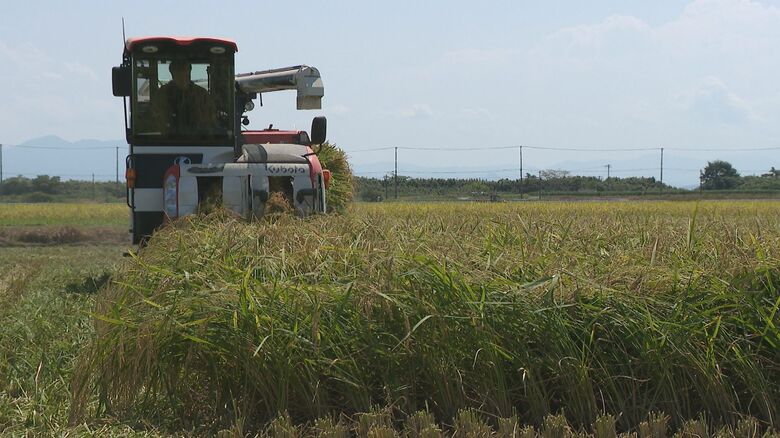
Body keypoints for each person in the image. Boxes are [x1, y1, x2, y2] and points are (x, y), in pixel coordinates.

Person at [153, 60, 216, 135]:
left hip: (198, 139)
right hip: (167, 140)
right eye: (179, 76)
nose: (183, 79)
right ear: (172, 74)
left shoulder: (201, 94)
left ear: (189, 72)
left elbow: (210, 120)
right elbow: (155, 119)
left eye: (186, 75)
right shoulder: (163, 94)